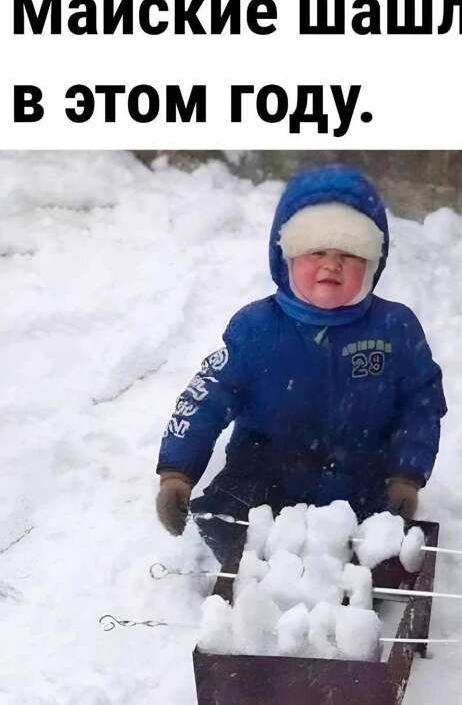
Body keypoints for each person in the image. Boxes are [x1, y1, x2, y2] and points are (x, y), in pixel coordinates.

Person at [155, 165, 447, 562]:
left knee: (380, 541)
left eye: (349, 254)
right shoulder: (257, 328)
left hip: (360, 477)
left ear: (372, 263)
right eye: (316, 252)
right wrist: (177, 473)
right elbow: (206, 397)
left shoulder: (395, 328)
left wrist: (406, 476)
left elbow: (421, 404)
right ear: (287, 259)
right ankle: (252, 565)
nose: (332, 265)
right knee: (228, 514)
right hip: (267, 474)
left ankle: (354, 566)